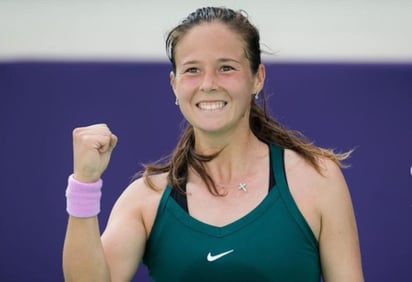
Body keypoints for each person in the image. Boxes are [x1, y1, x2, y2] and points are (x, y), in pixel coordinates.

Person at [62, 6, 364, 282]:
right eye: (192, 69)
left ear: (257, 78)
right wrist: (85, 184)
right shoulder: (145, 200)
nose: (208, 84)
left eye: (226, 67)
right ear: (174, 84)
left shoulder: (317, 180)